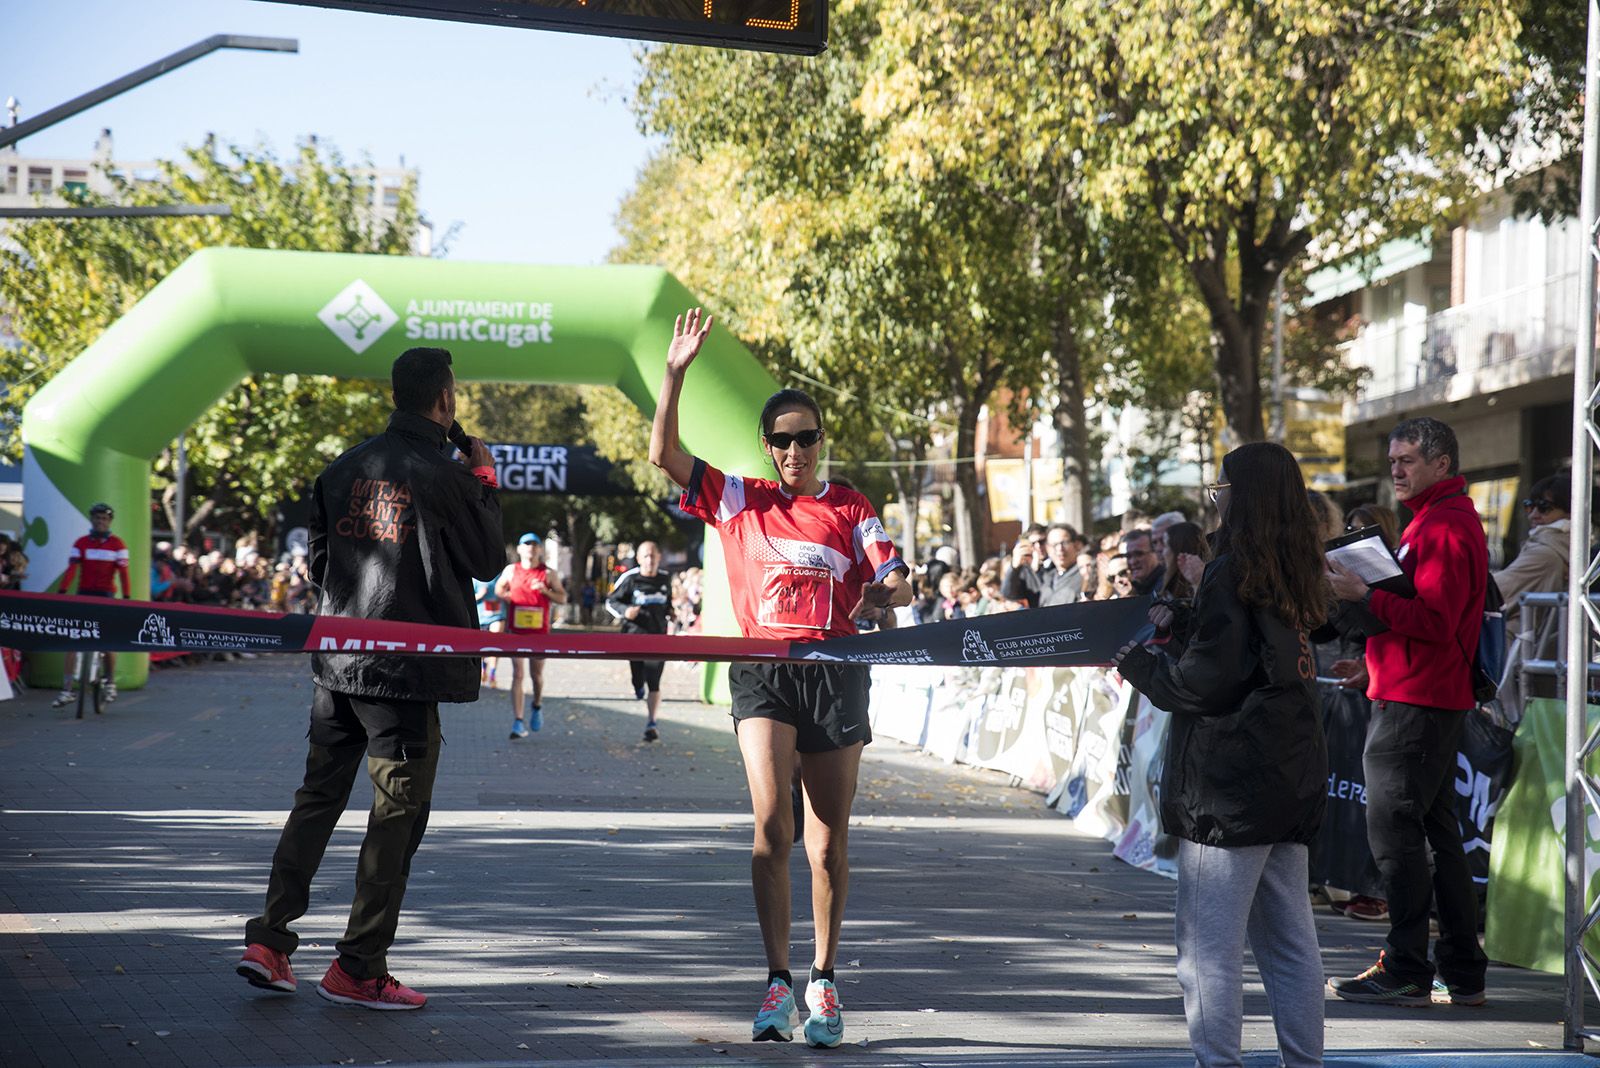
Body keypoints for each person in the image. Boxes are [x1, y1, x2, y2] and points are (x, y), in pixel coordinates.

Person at [650, 307, 911, 1049]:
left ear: (821, 442)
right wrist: (673, 374)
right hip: (763, 672)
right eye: (782, 440)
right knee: (773, 828)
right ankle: (776, 982)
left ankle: (823, 980)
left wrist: (883, 593)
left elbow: (897, 577)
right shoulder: (739, 498)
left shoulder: (849, 503)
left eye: (807, 438)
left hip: (835, 674)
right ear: (767, 446)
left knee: (826, 844)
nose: (795, 451)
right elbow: (662, 453)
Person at [237, 346, 504, 1010]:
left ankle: (269, 941)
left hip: (338, 664)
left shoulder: (340, 469)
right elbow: (486, 559)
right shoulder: (447, 477)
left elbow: (320, 565)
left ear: (396, 395)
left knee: (317, 799)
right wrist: (483, 478)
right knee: (396, 817)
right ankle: (358, 967)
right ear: (444, 401)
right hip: (404, 676)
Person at [1115, 442, 1328, 1068]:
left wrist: (1141, 665)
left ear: (1245, 495)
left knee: (1207, 945)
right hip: (1290, 770)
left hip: (1230, 782)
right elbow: (1250, 655)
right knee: (1290, 940)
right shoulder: (1297, 566)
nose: (1217, 500)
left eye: (1222, 488)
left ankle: (1218, 1062)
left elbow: (1206, 683)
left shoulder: (1231, 568)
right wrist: (1186, 623)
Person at [1325, 416, 1490, 1008]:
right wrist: (1373, 664)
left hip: (1417, 703)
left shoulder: (1444, 525)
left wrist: (1363, 595)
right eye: (1392, 460)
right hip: (1417, 695)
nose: (1396, 470)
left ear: (1441, 463)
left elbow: (1436, 623)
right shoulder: (1436, 520)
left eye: (1407, 460)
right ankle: (1460, 971)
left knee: (1396, 836)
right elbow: (1427, 620)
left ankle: (1407, 967)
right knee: (1437, 836)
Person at [1492, 472, 1572, 712]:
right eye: (1530, 506)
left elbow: (1496, 592)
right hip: (1541, 659)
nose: (1534, 514)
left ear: (1570, 512)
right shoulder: (1557, 546)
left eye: (1545, 508)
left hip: (1522, 657)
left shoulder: (1546, 552)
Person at [52, 502, 130, 708]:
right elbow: (71, 569)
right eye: (97, 518)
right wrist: (62, 592)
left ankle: (110, 682)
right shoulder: (81, 543)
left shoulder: (118, 544)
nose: (100, 522)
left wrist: (127, 597)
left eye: (104, 518)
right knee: (73, 642)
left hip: (106, 595)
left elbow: (123, 573)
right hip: (84, 594)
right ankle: (67, 689)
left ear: (110, 521)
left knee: (108, 642)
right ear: (91, 520)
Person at [496, 532, 567, 738]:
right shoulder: (511, 570)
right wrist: (508, 596)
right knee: (518, 674)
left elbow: (562, 598)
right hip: (516, 632)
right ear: (520, 549)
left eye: (535, 545)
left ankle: (537, 705)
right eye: (527, 544)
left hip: (539, 634)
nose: (531, 548)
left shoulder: (548, 573)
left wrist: (545, 591)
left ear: (540, 550)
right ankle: (518, 721)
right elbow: (499, 588)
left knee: (536, 675)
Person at [606, 540, 673, 741]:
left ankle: (652, 723)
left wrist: (671, 612)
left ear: (659, 557)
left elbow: (667, 603)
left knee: (654, 681)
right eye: (646, 556)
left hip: (658, 638)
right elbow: (611, 601)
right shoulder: (630, 578)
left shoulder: (665, 578)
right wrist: (626, 611)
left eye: (653, 555)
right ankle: (637, 685)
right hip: (634, 637)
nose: (650, 560)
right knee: (638, 677)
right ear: (639, 558)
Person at [1122, 528, 1161, 596]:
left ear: (1156, 553)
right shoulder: (1138, 590)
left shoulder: (1165, 587)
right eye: (1128, 556)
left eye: (1139, 554)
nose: (1132, 562)